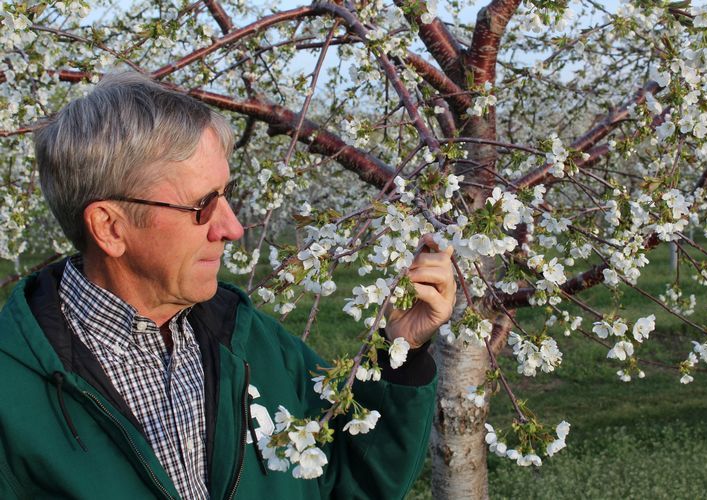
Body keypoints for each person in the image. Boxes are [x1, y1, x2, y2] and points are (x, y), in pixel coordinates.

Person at [0, 72, 456, 499]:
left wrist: (399, 350)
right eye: (202, 206)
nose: (232, 227)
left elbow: (348, 480)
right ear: (110, 228)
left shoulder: (251, 341)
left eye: (226, 195)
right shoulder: (13, 396)